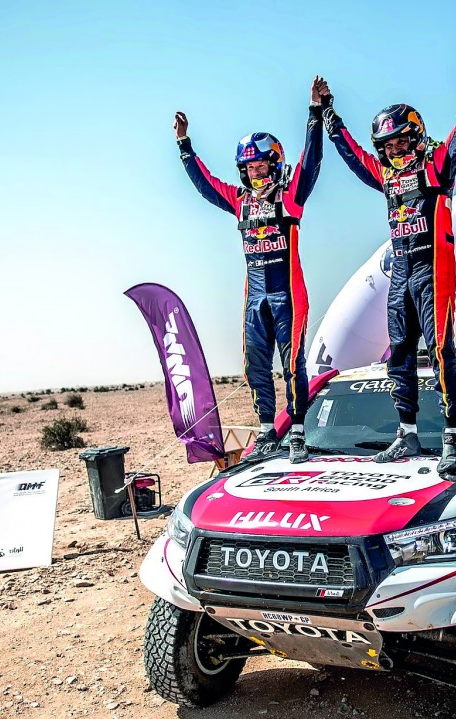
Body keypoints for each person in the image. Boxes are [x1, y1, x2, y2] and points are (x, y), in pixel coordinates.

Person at [318, 43, 456, 474]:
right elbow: (351, 154)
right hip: (400, 272)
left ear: (417, 138)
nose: (396, 149)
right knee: (398, 355)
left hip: (434, 270)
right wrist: (329, 115)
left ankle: (451, 439)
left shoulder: (437, 165)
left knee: (440, 352)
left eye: (403, 140)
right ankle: (406, 434)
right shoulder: (384, 176)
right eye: (389, 144)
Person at [172, 78, 327, 464]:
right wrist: (184, 145)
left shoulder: (290, 196)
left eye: (261, 164)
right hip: (254, 296)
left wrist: (315, 113)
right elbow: (206, 185)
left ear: (274, 163)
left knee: (292, 364)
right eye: (249, 166)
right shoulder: (239, 201)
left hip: (288, 294)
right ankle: (266, 431)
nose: (255, 172)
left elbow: (311, 162)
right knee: (254, 363)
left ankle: (297, 432)